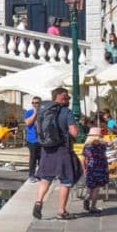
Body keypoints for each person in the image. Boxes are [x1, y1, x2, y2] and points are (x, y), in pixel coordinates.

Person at [33, 88, 79, 220]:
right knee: (65, 180)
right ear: (62, 98)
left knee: (46, 178)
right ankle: (61, 211)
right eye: (67, 98)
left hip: (47, 149)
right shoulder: (66, 112)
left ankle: (39, 201)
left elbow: (37, 127)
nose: (68, 100)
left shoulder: (44, 110)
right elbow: (74, 132)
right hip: (63, 149)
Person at [82, 128, 108, 214]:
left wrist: (84, 169)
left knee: (90, 187)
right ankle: (93, 207)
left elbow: (84, 159)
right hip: (100, 168)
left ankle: (86, 199)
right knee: (96, 189)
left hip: (90, 168)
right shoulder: (102, 146)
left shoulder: (86, 146)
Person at [24, 96, 42, 183]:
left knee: (42, 158)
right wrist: (35, 113)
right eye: (33, 103)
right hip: (32, 139)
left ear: (40, 103)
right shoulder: (29, 112)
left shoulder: (44, 112)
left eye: (37, 103)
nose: (35, 104)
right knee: (33, 158)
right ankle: (31, 175)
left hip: (42, 139)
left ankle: (40, 174)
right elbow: (28, 123)